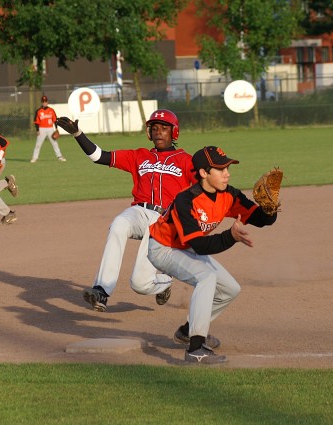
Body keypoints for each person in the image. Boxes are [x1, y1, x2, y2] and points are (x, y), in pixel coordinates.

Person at [147, 146, 278, 364]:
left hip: (185, 247)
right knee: (206, 277)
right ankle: (195, 348)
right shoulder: (185, 200)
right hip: (163, 247)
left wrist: (270, 210)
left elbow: (260, 218)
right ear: (203, 173)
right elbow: (199, 245)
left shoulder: (229, 195)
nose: (227, 174)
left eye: (227, 168)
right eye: (220, 169)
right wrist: (230, 237)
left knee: (230, 289)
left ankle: (188, 330)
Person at [57, 109, 197, 312]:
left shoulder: (186, 160)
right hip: (139, 212)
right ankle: (102, 290)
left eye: (164, 128)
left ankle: (165, 281)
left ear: (174, 132)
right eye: (154, 128)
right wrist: (78, 134)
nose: (158, 132)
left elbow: (203, 187)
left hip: (164, 221)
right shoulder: (139, 155)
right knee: (119, 224)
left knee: (140, 285)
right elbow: (99, 156)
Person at [31, 95, 66, 163]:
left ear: (47, 102)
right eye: (43, 101)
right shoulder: (38, 111)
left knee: (54, 143)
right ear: (42, 102)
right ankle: (34, 158)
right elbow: (36, 122)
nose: (44, 103)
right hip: (41, 129)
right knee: (38, 144)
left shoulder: (51, 110)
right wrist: (37, 130)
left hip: (50, 129)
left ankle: (59, 156)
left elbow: (55, 120)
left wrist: (56, 128)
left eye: (45, 101)